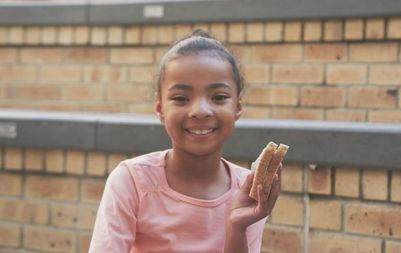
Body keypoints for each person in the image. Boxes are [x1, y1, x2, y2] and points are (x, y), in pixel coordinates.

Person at [88, 29, 282, 253]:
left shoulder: (248, 189)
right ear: (160, 108)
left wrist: (236, 228)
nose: (200, 111)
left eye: (218, 97)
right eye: (181, 98)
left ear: (237, 106)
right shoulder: (132, 181)